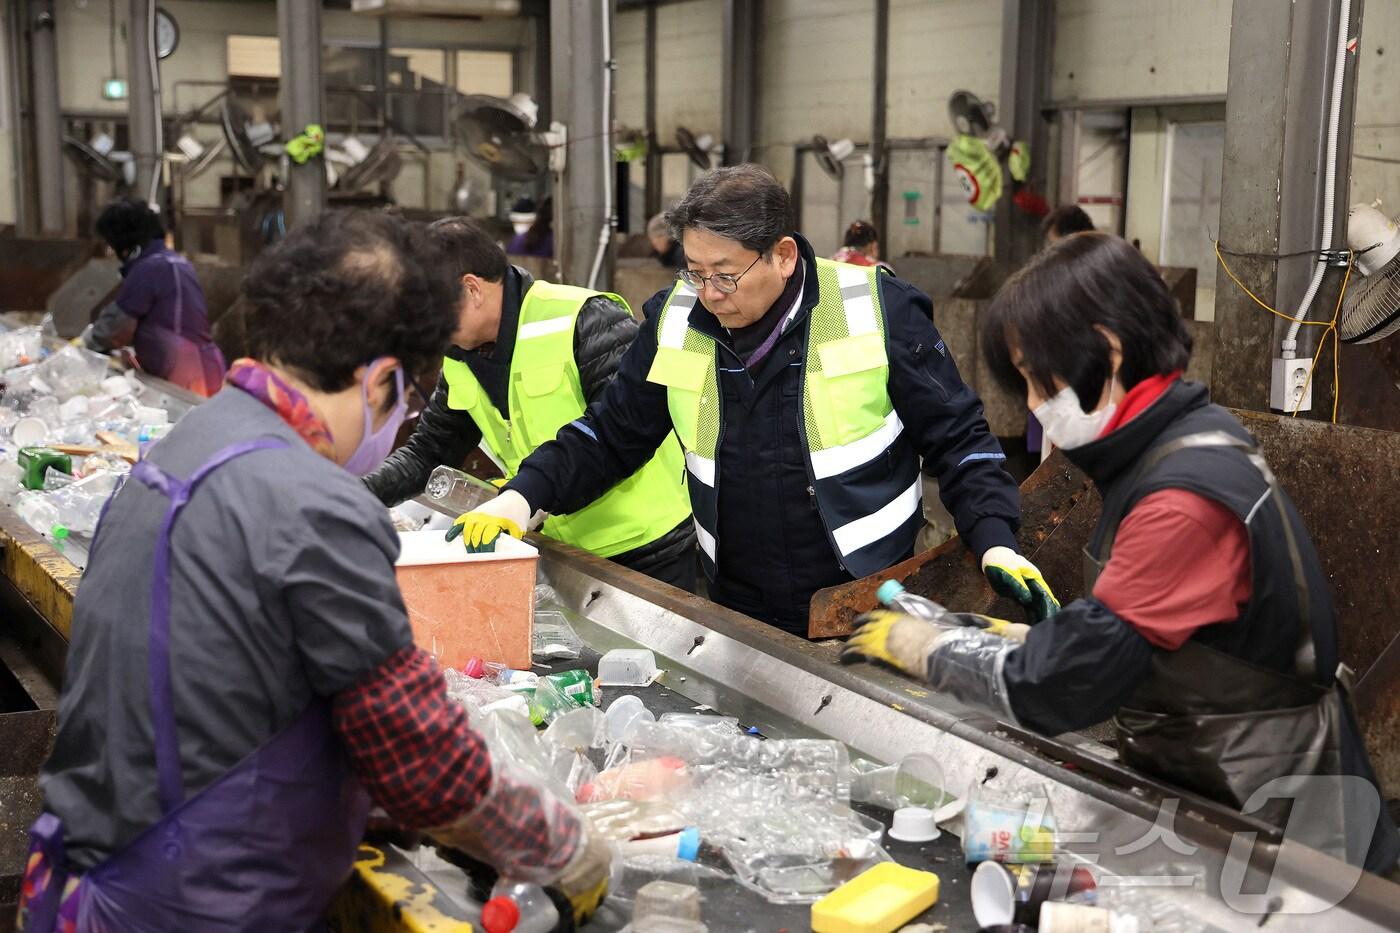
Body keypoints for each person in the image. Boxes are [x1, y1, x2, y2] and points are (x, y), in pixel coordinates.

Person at [21, 211, 608, 932]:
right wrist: (560, 844)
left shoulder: (185, 445)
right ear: (385, 380)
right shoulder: (313, 503)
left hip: (87, 875)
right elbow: (421, 762)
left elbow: (240, 687)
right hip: (187, 899)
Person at [841, 232, 1399, 875]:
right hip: (1227, 804)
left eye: (1036, 381)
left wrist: (927, 649)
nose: (1031, 407)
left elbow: (1065, 686)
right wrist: (1000, 637)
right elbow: (1157, 640)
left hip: (1293, 854)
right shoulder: (1174, 445)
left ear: (1106, 352)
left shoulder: (1185, 497)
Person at [450, 165, 1056, 635]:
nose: (708, 291)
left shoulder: (878, 309)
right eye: (693, 270)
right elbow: (611, 435)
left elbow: (959, 439)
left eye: (726, 273)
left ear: (784, 255)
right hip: (734, 599)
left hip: (871, 593)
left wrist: (996, 536)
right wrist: (521, 499)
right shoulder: (675, 321)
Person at [365, 217, 696, 590]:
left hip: (645, 550)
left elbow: (616, 432)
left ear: (471, 290)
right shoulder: (460, 355)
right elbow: (429, 450)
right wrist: (355, 495)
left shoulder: (583, 319)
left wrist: (524, 495)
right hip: (553, 546)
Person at [84, 198, 226, 396]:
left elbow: (116, 325)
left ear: (125, 242)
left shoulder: (151, 268)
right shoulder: (171, 261)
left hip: (185, 372)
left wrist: (83, 345)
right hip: (199, 366)